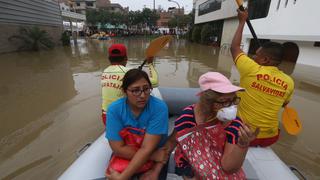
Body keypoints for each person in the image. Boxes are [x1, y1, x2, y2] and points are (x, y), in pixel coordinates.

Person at [155, 72, 259, 179]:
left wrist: (243, 144)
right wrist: (155, 169)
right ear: (207, 101)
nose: (231, 107)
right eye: (224, 102)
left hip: (219, 169)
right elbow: (171, 142)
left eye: (233, 100)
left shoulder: (234, 123)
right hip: (191, 167)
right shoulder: (188, 117)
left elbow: (228, 167)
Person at [230, 9, 295, 147]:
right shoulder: (289, 82)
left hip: (243, 133)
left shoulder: (251, 69)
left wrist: (242, 21)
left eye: (256, 55)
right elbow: (284, 104)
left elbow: (234, 48)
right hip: (270, 138)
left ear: (265, 60)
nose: (253, 57)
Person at [105, 69, 168, 180]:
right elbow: (118, 149)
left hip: (151, 153)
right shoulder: (114, 110)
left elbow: (146, 149)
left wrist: (122, 178)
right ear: (125, 91)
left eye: (146, 89)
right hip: (149, 155)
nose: (143, 95)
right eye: (135, 90)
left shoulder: (159, 108)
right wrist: (153, 156)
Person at [101, 44, 158, 126]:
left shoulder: (104, 72)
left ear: (109, 59)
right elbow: (155, 82)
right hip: (121, 116)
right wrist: (150, 64)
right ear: (126, 58)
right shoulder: (127, 72)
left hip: (105, 116)